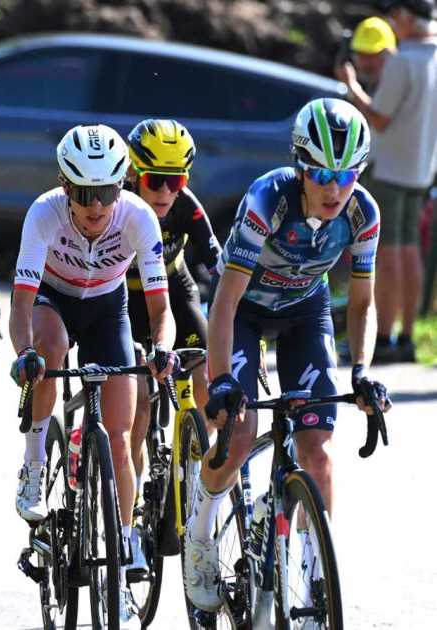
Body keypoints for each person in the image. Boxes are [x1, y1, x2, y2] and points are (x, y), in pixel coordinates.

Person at [182, 98, 391, 614]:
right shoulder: (266, 201)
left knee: (317, 451)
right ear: (301, 168)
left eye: (346, 174)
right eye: (321, 173)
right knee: (241, 433)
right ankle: (200, 534)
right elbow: (225, 302)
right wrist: (223, 379)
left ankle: (312, 577)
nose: (334, 188)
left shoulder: (364, 212)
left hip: (305, 310)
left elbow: (362, 302)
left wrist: (362, 370)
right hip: (245, 309)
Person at [9, 123, 178, 628]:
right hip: (52, 301)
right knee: (51, 350)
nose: (96, 205)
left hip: (108, 309)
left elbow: (160, 309)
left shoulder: (139, 218)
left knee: (122, 438)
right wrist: (24, 353)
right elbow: (20, 301)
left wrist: (162, 351)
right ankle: (36, 458)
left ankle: (124, 562)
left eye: (106, 191)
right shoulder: (44, 214)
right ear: (65, 186)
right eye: (84, 193)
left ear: (122, 184)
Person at [123, 119, 221, 568]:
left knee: (208, 371)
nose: (165, 192)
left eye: (176, 180)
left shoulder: (186, 207)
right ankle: (135, 492)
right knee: (139, 400)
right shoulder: (118, 204)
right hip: (124, 294)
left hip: (173, 287)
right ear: (131, 175)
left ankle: (196, 461)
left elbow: (220, 266)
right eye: (154, 180)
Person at [337, 0, 437, 362]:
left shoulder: (402, 61)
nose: (392, 25)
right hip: (421, 169)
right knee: (411, 250)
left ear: (408, 18)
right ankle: (407, 336)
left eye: (395, 17)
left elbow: (378, 119)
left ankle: (381, 338)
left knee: (387, 253)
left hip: (389, 169)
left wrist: (351, 86)